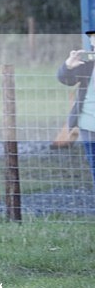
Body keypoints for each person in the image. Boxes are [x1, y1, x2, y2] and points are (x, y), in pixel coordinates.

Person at [57, 28, 95, 185]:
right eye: (92, 38)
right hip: (89, 125)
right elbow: (65, 79)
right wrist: (68, 66)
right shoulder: (87, 65)